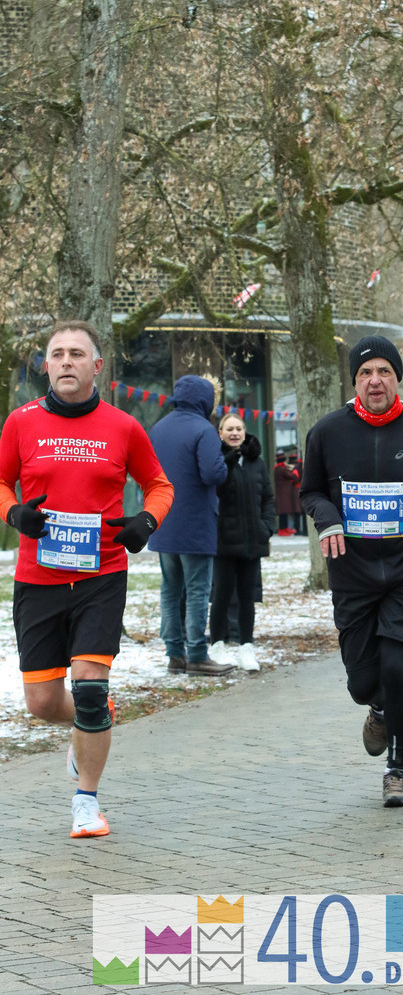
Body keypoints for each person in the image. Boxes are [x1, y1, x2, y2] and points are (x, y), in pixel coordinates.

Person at [0, 321, 174, 839]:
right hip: (38, 577)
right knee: (43, 704)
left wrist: (146, 521)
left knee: (90, 691)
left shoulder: (123, 426)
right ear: (46, 366)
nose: (67, 362)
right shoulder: (20, 423)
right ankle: (90, 721)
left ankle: (86, 803)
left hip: (101, 574)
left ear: (97, 366)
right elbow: (1, 481)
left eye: (78, 354)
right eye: (58, 354)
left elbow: (158, 485)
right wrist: (14, 515)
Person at [300, 335, 403, 808]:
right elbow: (309, 493)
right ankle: (375, 709)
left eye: (384, 371)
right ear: (355, 382)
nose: (375, 380)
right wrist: (327, 518)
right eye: (366, 373)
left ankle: (398, 770)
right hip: (351, 573)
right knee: (361, 683)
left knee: (397, 668)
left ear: (397, 378)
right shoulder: (328, 432)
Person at [148, 375, 230, 676]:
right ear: (205, 400)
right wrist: (224, 464)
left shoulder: (158, 428)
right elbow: (212, 473)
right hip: (195, 522)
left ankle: (174, 654)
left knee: (170, 590)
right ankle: (197, 653)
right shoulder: (204, 430)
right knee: (197, 590)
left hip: (162, 520)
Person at [208, 413, 276, 673]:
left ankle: (246, 645)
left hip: (252, 542)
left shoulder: (256, 461)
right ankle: (217, 644)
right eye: (229, 429)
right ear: (221, 433)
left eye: (239, 429)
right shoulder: (217, 462)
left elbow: (268, 498)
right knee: (222, 595)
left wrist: (266, 527)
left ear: (245, 431)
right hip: (223, 542)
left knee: (248, 596)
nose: (235, 433)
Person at [274, 450, 299, 536]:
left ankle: (284, 528)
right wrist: (295, 471)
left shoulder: (277, 468)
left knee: (283, 512)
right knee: (284, 512)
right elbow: (293, 476)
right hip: (284, 494)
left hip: (280, 493)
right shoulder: (283, 469)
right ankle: (283, 530)